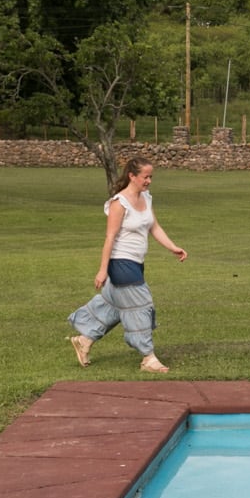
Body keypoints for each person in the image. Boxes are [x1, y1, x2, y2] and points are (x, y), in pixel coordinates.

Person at [67, 158, 187, 373]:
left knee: (113, 306)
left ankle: (84, 340)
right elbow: (109, 237)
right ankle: (148, 358)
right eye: (145, 176)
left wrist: (173, 247)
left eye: (151, 177)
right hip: (120, 263)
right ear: (132, 176)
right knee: (141, 305)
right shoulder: (118, 203)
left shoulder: (146, 198)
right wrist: (103, 270)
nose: (149, 181)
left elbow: (154, 227)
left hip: (136, 263)